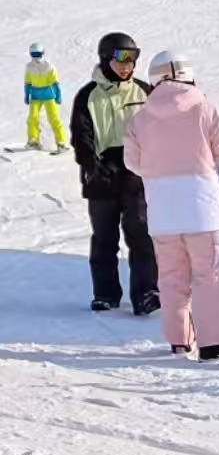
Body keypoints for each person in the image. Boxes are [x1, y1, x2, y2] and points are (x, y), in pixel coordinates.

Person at [123, 51, 219, 361]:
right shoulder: (206, 109)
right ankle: (214, 344)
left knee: (171, 278)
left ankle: (180, 341)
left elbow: (133, 164)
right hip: (202, 211)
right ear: (188, 75)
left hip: (162, 214)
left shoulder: (140, 119)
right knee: (210, 277)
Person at [71, 32, 160, 314]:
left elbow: (160, 131)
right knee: (104, 238)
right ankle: (106, 294)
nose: (127, 65)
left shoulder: (145, 92)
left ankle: (146, 292)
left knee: (142, 236)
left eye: (132, 59)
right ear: (106, 58)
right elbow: (81, 136)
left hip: (136, 174)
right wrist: (92, 167)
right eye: (121, 58)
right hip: (101, 175)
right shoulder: (88, 95)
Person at [23, 41, 68, 151]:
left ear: (43, 53)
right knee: (32, 118)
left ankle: (61, 142)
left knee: (54, 118)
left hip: (48, 95)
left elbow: (55, 83)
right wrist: (27, 94)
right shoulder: (29, 67)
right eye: (34, 55)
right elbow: (28, 82)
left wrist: (58, 95)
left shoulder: (49, 66)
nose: (36, 57)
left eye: (38, 54)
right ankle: (33, 140)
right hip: (36, 96)